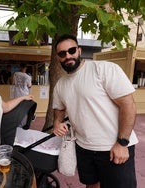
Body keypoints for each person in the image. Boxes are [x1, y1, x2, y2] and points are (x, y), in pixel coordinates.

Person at [52, 34, 138, 188]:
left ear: (79, 50)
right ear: (58, 57)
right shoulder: (60, 85)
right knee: (91, 185)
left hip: (113, 147)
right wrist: (57, 122)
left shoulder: (104, 69)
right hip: (84, 148)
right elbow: (59, 108)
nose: (68, 56)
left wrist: (122, 143)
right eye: (62, 53)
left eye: (71, 50)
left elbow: (128, 105)